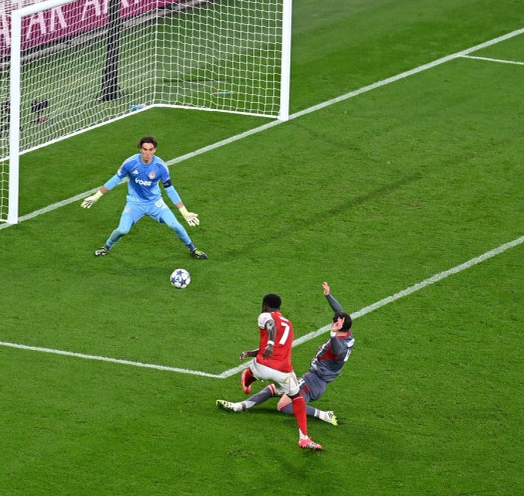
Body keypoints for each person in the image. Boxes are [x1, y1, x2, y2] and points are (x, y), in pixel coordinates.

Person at [218, 281, 354, 428]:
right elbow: (339, 312)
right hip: (317, 381)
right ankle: (239, 406)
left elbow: (337, 351)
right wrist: (328, 295)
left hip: (313, 381)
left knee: (283, 406)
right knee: (273, 389)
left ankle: (324, 415)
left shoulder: (339, 344)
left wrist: (332, 333)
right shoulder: (347, 334)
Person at [216, 292, 322, 450]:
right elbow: (276, 344)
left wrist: (270, 344)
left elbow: (270, 325)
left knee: (253, 371)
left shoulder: (265, 316)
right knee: (297, 398)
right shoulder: (288, 324)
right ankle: (304, 438)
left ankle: (248, 377)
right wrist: (253, 351)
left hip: (262, 367)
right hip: (283, 372)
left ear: (265, 305)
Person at [81, 135, 208, 260]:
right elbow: (115, 179)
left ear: (155, 149)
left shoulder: (160, 166)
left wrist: (184, 212)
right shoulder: (130, 163)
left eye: (150, 149)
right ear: (140, 149)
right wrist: (96, 196)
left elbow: (170, 189)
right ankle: (106, 247)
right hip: (134, 203)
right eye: (145, 149)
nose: (147, 153)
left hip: (155, 203)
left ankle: (193, 249)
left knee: (175, 225)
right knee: (122, 230)